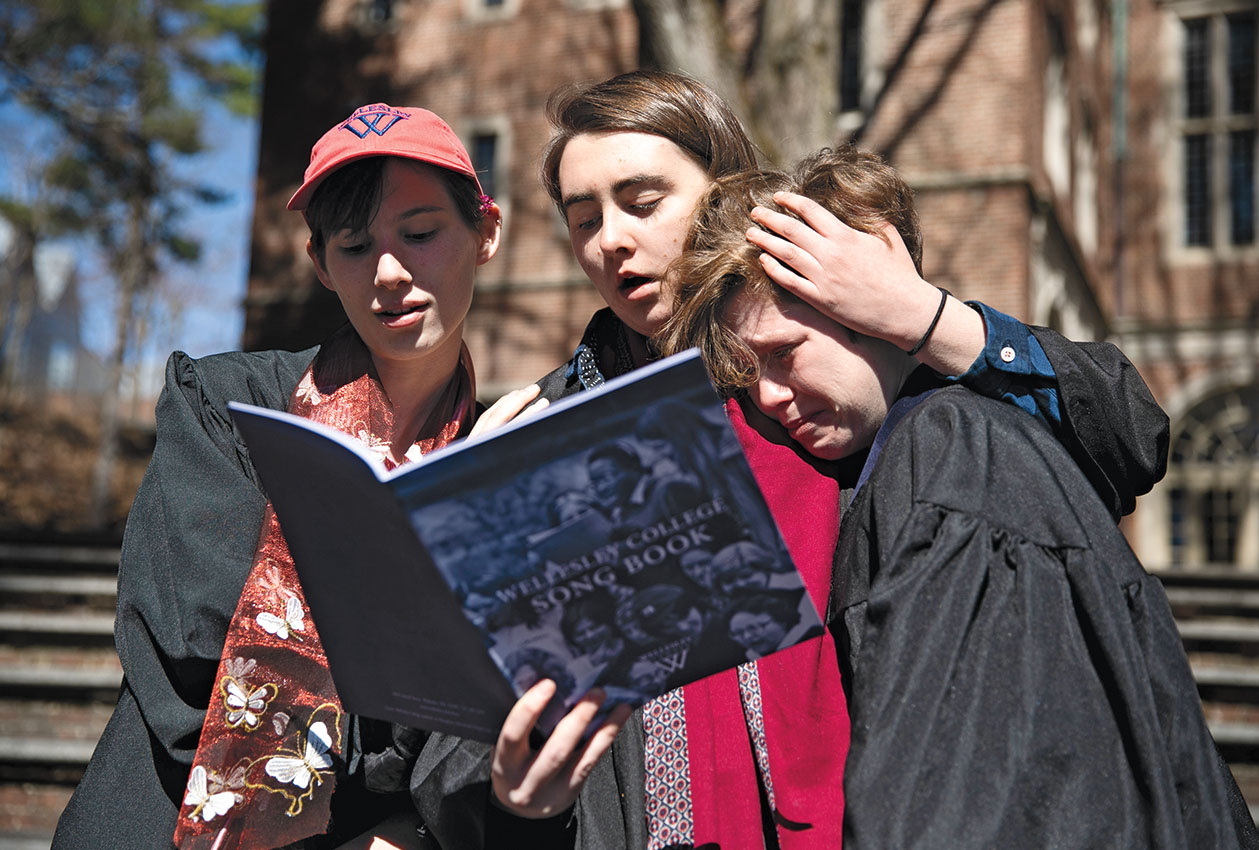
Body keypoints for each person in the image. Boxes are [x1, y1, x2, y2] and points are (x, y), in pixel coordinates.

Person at [410, 70, 1172, 849]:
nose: (610, 239)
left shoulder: (837, 374)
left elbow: (1126, 435)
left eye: (642, 203)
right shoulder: (543, 433)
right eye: (582, 219)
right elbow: (460, 753)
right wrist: (516, 801)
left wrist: (920, 315)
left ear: (723, 195)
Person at [52, 102, 627, 850]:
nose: (389, 273)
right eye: (354, 246)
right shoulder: (230, 409)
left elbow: (489, 716)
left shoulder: (504, 451)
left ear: (486, 233)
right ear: (320, 264)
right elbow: (198, 653)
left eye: (420, 234)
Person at [656, 151, 1258, 847]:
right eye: (748, 370)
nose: (766, 394)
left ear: (863, 307)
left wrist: (919, 312)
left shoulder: (953, 452)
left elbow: (960, 794)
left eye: (784, 351)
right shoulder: (854, 471)